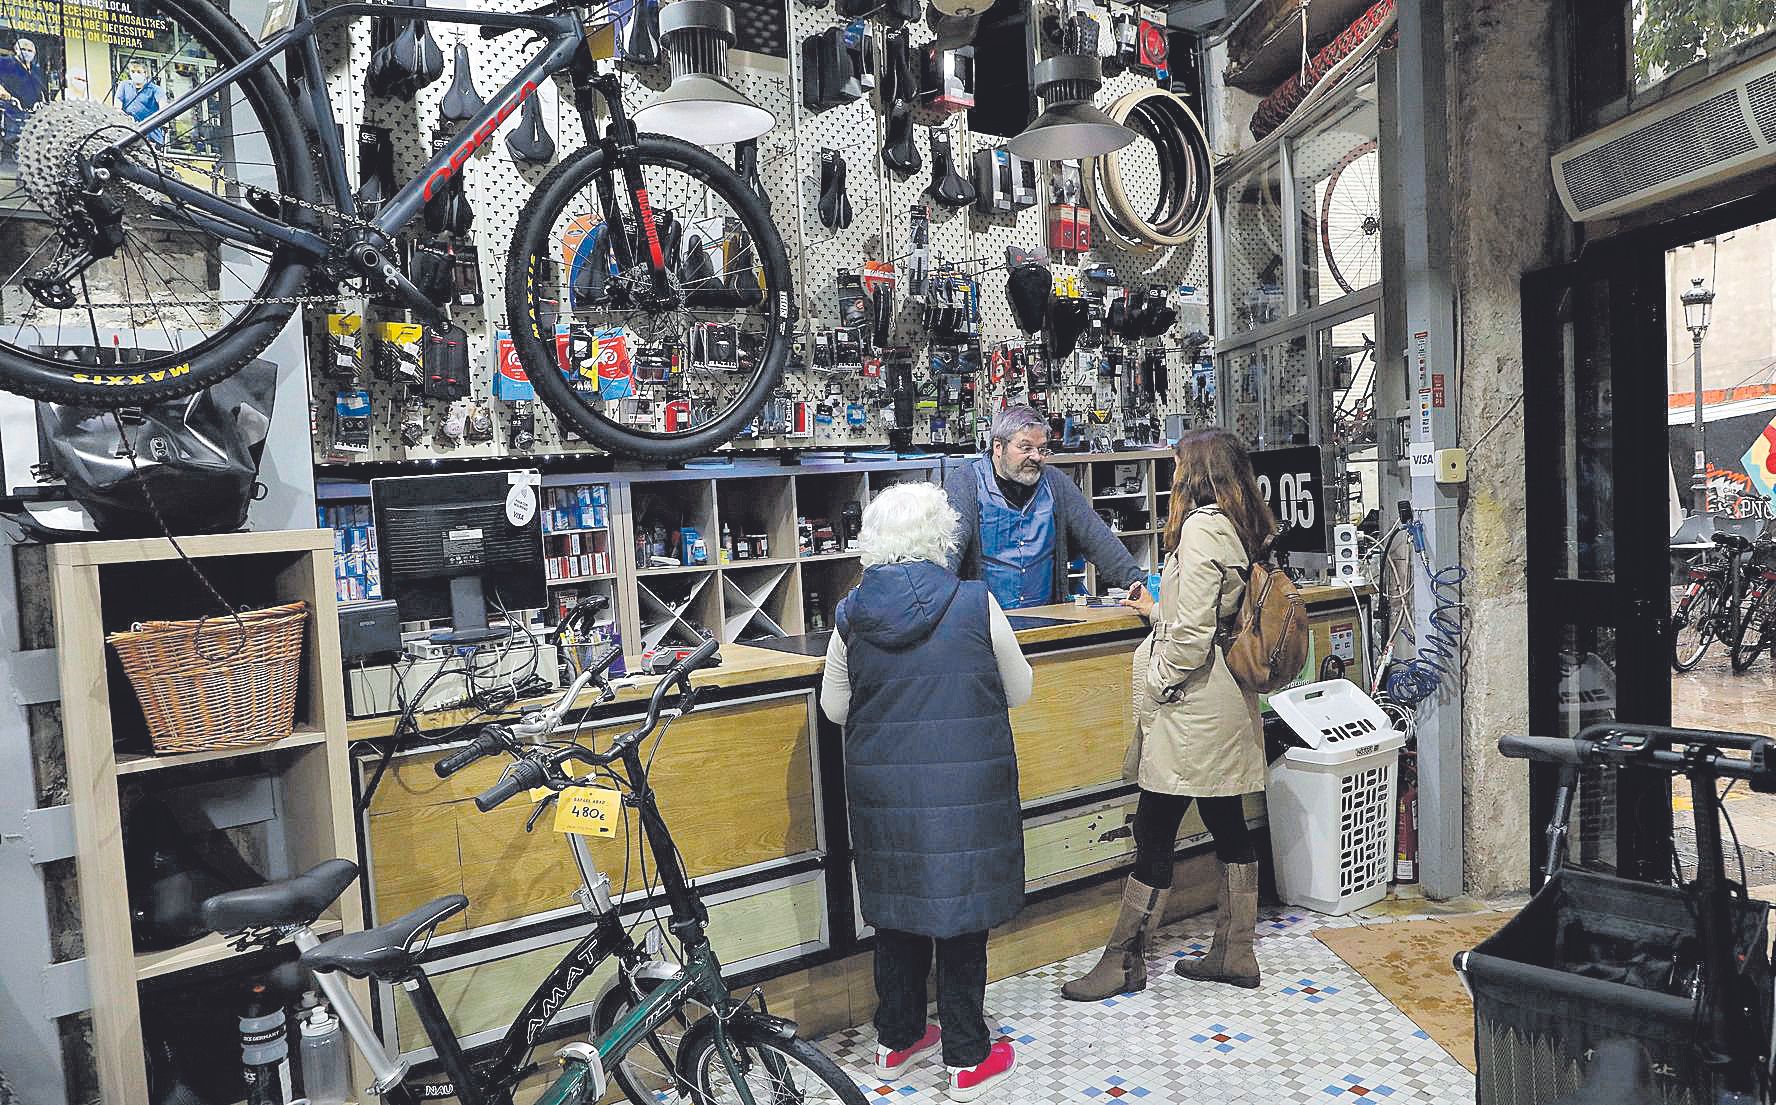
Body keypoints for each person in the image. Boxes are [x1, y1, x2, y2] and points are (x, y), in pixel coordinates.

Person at [821, 482, 1031, 1102]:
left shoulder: (850, 616)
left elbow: (836, 709)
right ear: (942, 537)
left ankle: (897, 1040)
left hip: (885, 795)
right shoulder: (975, 603)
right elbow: (1019, 690)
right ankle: (967, 1056)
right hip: (968, 790)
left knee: (898, 913)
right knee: (962, 920)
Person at [1062, 428, 1275, 1001]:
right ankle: (1236, 951)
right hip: (1223, 705)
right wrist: (1159, 609)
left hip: (1192, 710)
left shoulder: (1203, 529)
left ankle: (1123, 962)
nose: (1172, 474)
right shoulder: (1236, 526)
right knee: (1226, 820)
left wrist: (1155, 683)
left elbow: (1191, 639)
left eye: (1179, 464)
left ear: (1196, 472)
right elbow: (1205, 615)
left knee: (1153, 826)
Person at [943, 405, 1147, 610]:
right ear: (998, 446)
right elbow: (949, 553)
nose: (1036, 457)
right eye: (1026, 448)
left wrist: (1140, 587)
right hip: (983, 620)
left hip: (1046, 616)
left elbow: (1099, 540)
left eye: (1042, 449)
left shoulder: (1055, 483)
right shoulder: (966, 483)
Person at [0, 38, 46, 162]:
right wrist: (3, 93)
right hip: (9, 108)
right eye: (23, 49)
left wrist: (41, 101)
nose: (26, 52)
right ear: (16, 50)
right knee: (9, 136)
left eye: (29, 50)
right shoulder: (4, 63)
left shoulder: (36, 70)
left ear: (34, 53)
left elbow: (41, 89)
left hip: (32, 112)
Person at [116, 58, 168, 145]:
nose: (135, 74)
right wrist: (124, 116)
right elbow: (117, 107)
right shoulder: (124, 86)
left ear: (145, 73)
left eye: (139, 72)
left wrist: (165, 122)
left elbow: (164, 107)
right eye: (132, 71)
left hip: (151, 136)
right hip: (128, 135)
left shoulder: (155, 90)